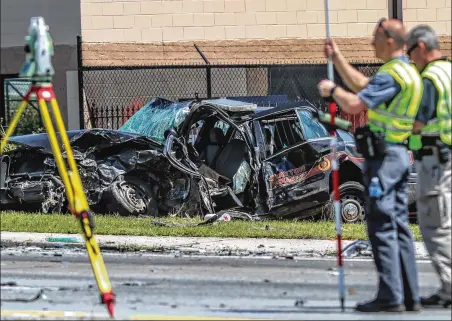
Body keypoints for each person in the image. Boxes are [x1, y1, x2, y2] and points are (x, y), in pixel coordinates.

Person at [317, 18, 422, 312]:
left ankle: (390, 296)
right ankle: (409, 295)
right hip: (399, 155)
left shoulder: (390, 75)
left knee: (381, 226)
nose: (370, 42)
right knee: (399, 227)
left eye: (375, 37)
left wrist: (331, 90)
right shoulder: (406, 72)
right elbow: (363, 85)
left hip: (384, 158)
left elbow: (354, 104)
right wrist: (337, 57)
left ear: (390, 40)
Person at [406, 24, 451, 308]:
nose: (411, 58)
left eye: (411, 52)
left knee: (435, 227)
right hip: (446, 158)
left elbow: (418, 123)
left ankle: (449, 288)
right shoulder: (449, 72)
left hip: (435, 161)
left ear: (421, 47)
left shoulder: (431, 78)